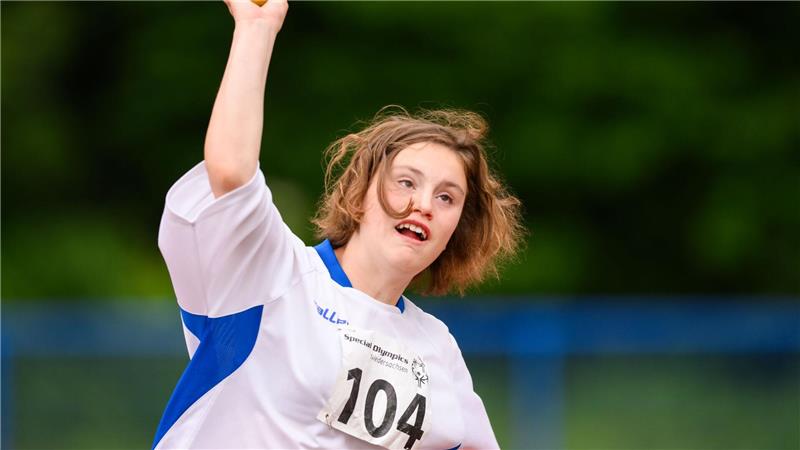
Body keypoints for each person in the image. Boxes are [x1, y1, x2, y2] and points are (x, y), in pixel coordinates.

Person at [152, 0, 523, 449]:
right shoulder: (277, 274)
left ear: (456, 228)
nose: (423, 204)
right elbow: (231, 172)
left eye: (447, 197)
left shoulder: (434, 346)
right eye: (406, 181)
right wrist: (256, 26)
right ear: (359, 193)